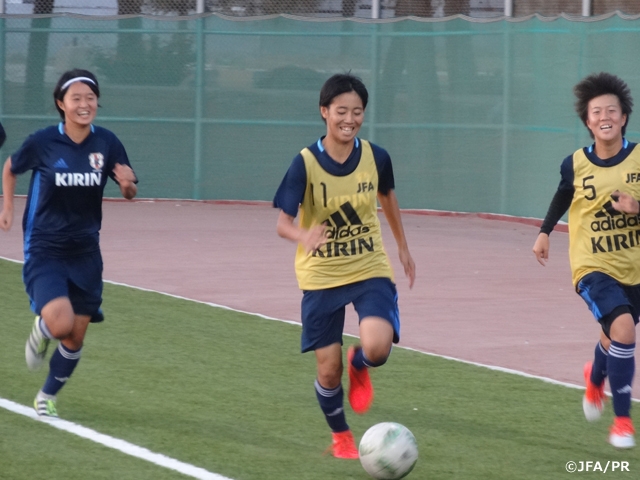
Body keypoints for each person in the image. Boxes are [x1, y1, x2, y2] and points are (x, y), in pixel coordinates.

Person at [273, 73, 416, 459]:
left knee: (378, 347)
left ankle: (361, 361)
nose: (348, 119)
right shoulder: (304, 163)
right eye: (341, 111)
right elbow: (282, 222)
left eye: (356, 112)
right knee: (327, 371)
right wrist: (303, 236)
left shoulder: (376, 157)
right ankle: (341, 436)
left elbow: (387, 196)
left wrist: (402, 247)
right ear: (324, 112)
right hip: (320, 276)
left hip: (369, 266)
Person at [0, 69, 138, 418]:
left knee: (75, 336)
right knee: (60, 324)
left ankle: (47, 396)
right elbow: (11, 167)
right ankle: (43, 329)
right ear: (61, 104)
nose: (84, 104)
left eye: (90, 98)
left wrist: (126, 185)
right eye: (76, 99)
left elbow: (129, 188)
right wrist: (8, 207)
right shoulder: (44, 141)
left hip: (86, 251)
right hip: (45, 247)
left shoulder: (106, 142)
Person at [533, 72, 639, 448]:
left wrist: (636, 207)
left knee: (613, 336)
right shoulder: (574, 164)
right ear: (588, 121)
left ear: (624, 117)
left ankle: (596, 377)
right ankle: (623, 422)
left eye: (612, 109)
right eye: (597, 111)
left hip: (634, 266)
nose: (605, 115)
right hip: (592, 265)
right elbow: (563, 195)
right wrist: (545, 231)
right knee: (624, 329)